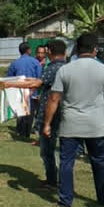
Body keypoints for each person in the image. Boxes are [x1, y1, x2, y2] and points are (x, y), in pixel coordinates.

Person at [43, 33, 104, 207]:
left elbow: (53, 99)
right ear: (95, 49)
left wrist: (47, 123)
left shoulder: (65, 69)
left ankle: (65, 200)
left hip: (70, 123)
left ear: (77, 48)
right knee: (99, 161)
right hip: (96, 124)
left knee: (67, 162)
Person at [32, 40, 68, 188]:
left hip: (50, 114)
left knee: (47, 150)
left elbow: (37, 83)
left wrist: (11, 84)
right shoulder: (68, 67)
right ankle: (62, 180)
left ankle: (52, 180)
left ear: (49, 52)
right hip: (65, 113)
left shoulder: (52, 68)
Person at [7, 42, 42, 140]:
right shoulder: (35, 62)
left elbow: (9, 78)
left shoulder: (15, 63)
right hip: (32, 91)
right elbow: (39, 77)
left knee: (20, 112)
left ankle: (20, 131)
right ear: (29, 50)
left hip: (19, 91)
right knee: (30, 114)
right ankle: (26, 133)